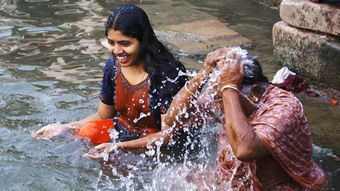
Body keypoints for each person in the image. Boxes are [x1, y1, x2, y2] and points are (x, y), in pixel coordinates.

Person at [87, 47, 328, 190]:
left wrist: (229, 89)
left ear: (253, 92)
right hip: (228, 182)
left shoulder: (284, 107)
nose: (215, 105)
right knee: (168, 178)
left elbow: (244, 149)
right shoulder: (222, 100)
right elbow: (172, 121)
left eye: (222, 96)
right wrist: (203, 74)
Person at [31, 4, 187, 145]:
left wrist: (118, 147)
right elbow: (103, 115)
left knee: (113, 159)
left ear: (143, 40)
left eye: (125, 43)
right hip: (126, 130)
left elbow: (169, 135)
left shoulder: (167, 72)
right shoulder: (113, 66)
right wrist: (65, 127)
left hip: (158, 141)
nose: (117, 51)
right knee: (84, 135)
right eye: (112, 43)